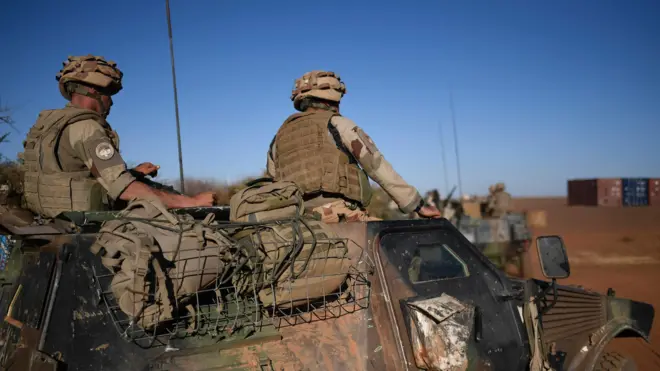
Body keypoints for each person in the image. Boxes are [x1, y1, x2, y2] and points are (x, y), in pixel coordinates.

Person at [20, 55, 214, 219]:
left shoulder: (51, 124)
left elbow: (72, 175)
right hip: (81, 227)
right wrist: (190, 202)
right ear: (94, 91)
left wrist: (134, 172)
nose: (111, 102)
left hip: (49, 220)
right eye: (108, 94)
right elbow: (126, 189)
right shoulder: (86, 127)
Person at [266, 70, 442, 223]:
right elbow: (375, 165)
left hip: (297, 222)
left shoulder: (279, 137)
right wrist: (416, 205)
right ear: (332, 98)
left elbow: (274, 181)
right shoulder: (338, 124)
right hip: (338, 216)